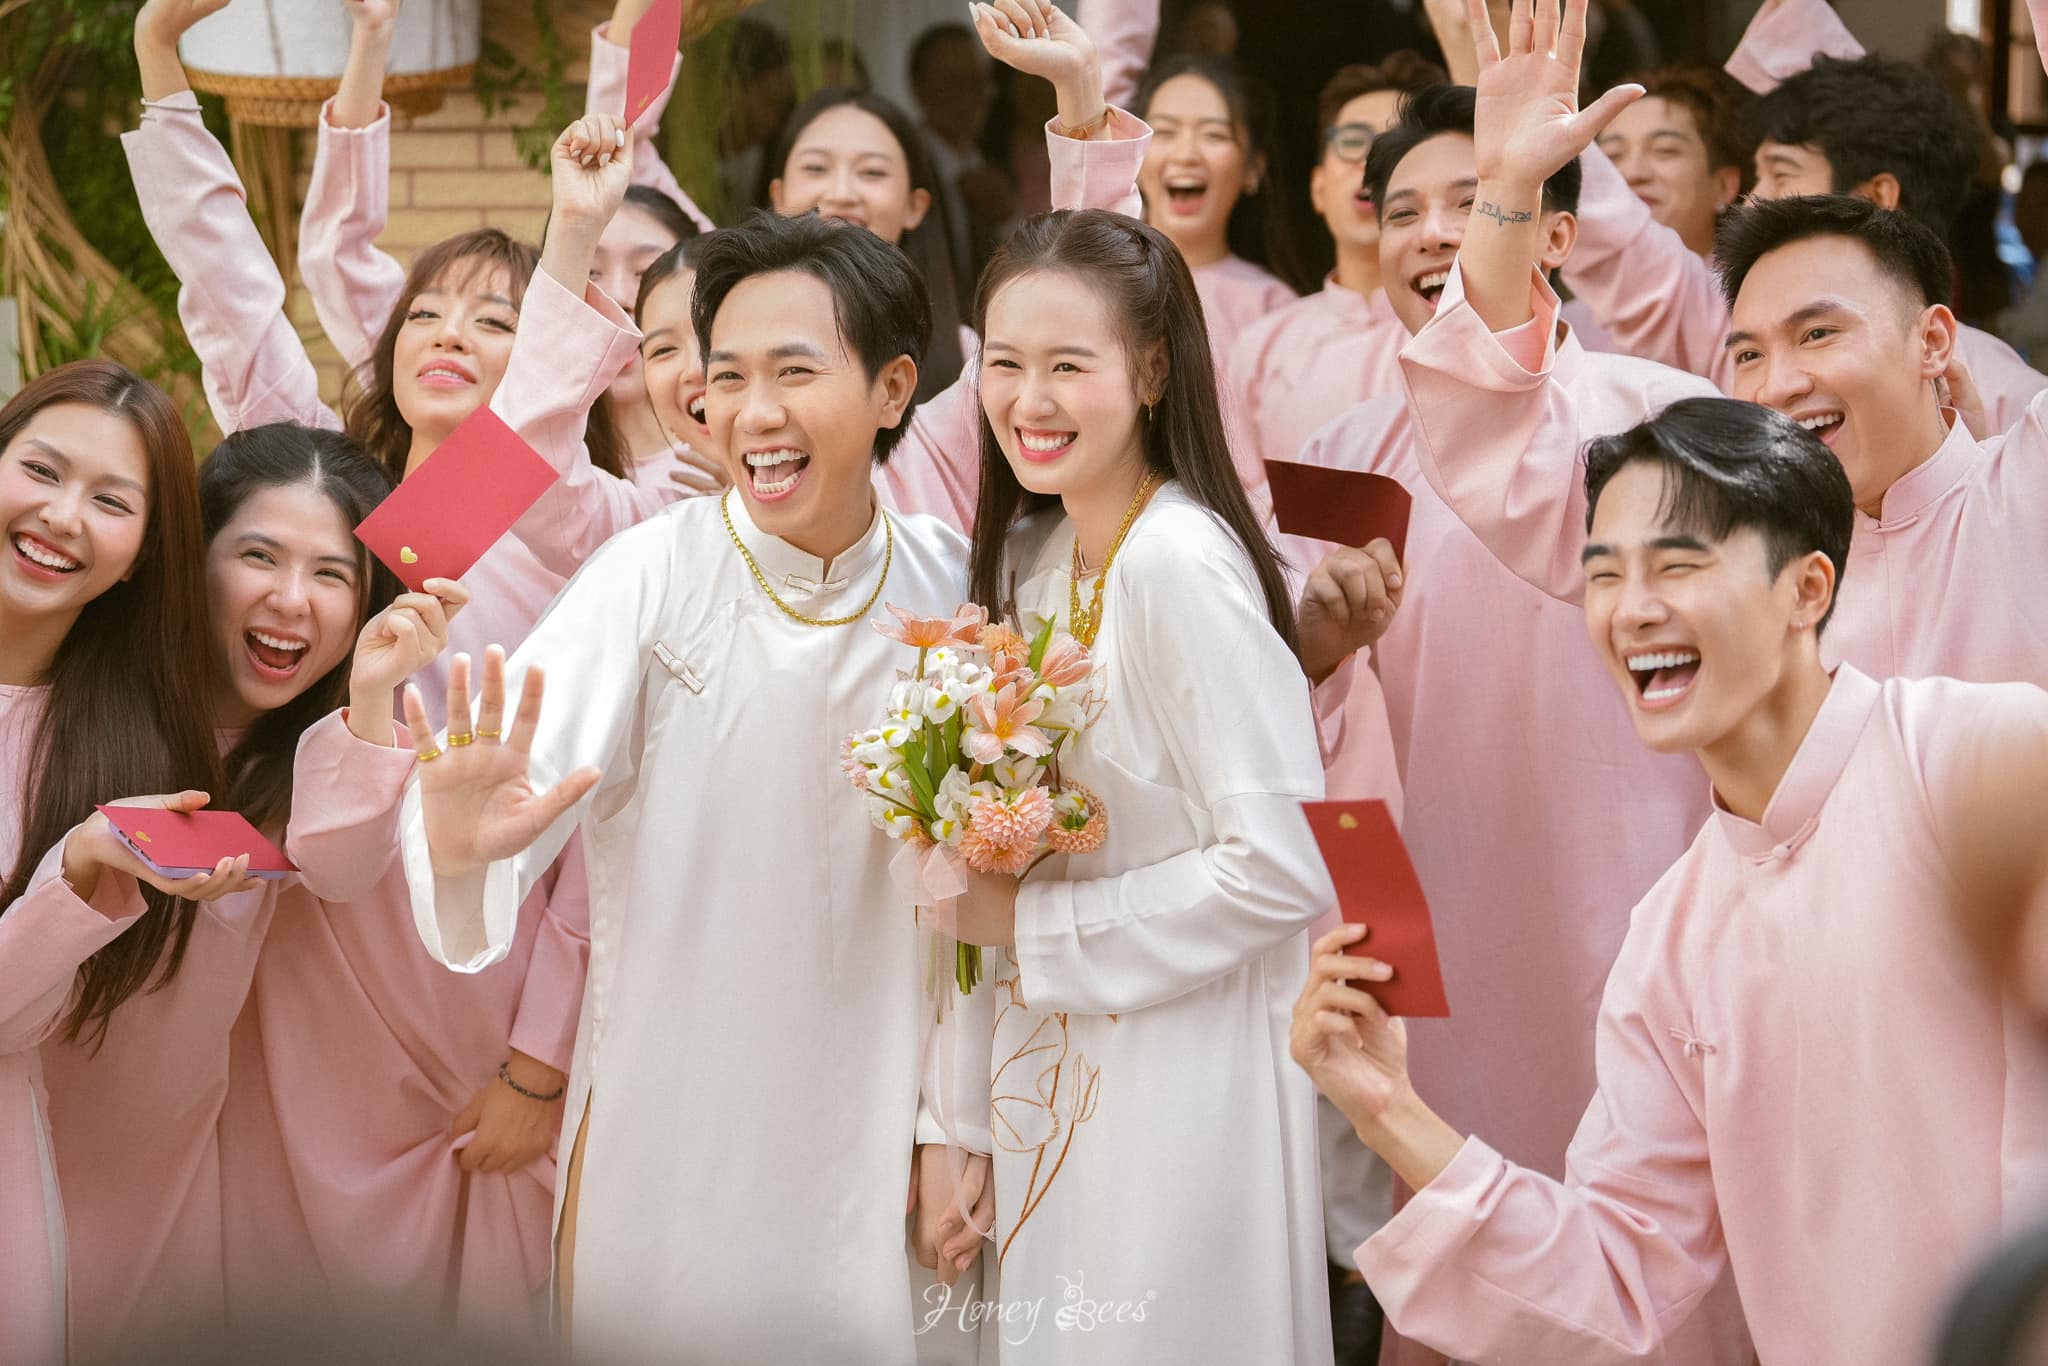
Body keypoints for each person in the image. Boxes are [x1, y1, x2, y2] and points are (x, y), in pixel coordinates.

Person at [1292, 394, 2048, 1366]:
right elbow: (1619, 1281)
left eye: (1677, 565)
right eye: (1605, 574)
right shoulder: (1669, 940)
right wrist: (1384, 1106)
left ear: (1806, 588)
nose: (1631, 608)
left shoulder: (1976, 757)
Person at [395, 211, 983, 1363]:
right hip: (679, 1123)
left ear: (892, 387)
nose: (751, 413)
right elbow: (499, 816)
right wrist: (458, 849)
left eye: (793, 372)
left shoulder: (953, 590)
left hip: (890, 1125)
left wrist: (952, 1121)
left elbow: (985, 912)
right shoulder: (647, 575)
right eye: (728, 377)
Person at [126, 0, 612, 1323]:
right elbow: (231, 293)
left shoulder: (568, 529)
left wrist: (539, 1059)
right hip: (304, 959)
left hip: (472, 985)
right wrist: (162, 67)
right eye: (428, 310)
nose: (451, 332)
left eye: (497, 319)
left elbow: (594, 832)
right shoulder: (339, 506)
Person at [945, 208, 1353, 1364]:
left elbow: (1280, 861)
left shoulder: (1178, 563)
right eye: (1006, 363)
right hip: (1066, 1068)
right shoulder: (1036, 559)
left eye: (1068, 366)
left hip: (1187, 1078)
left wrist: (1036, 927)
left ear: (1153, 370)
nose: (1029, 400)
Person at [40, 423, 403, 1363]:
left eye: (332, 574)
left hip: (165, 1168)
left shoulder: (322, 761)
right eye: (259, 556)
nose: (291, 599)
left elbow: (343, 866)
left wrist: (373, 694)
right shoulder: (77, 697)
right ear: (189, 557)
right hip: (25, 1125)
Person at [0, 360, 245, 1366]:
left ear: (145, 553)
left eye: (111, 501)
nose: (62, 517)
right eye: (40, 471)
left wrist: (81, 867)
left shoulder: (122, 758)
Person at [1554, 0, 2047, 429]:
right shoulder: (1737, 329)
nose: (1754, 199)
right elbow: (1629, 255)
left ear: (1876, 195)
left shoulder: (2009, 400)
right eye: (1750, 356)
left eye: (1781, 172)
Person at [1220, 52, 1444, 505]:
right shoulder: (1260, 349)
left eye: (1395, 145)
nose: (1372, 163)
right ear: (1318, 188)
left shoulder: (1458, 333)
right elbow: (1235, 502)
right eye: (1354, 142)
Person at [1134, 54, 1305, 361]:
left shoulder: (1274, 309)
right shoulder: (1098, 278)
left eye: (1214, 135)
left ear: (1253, 169)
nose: (1186, 154)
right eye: (1165, 132)